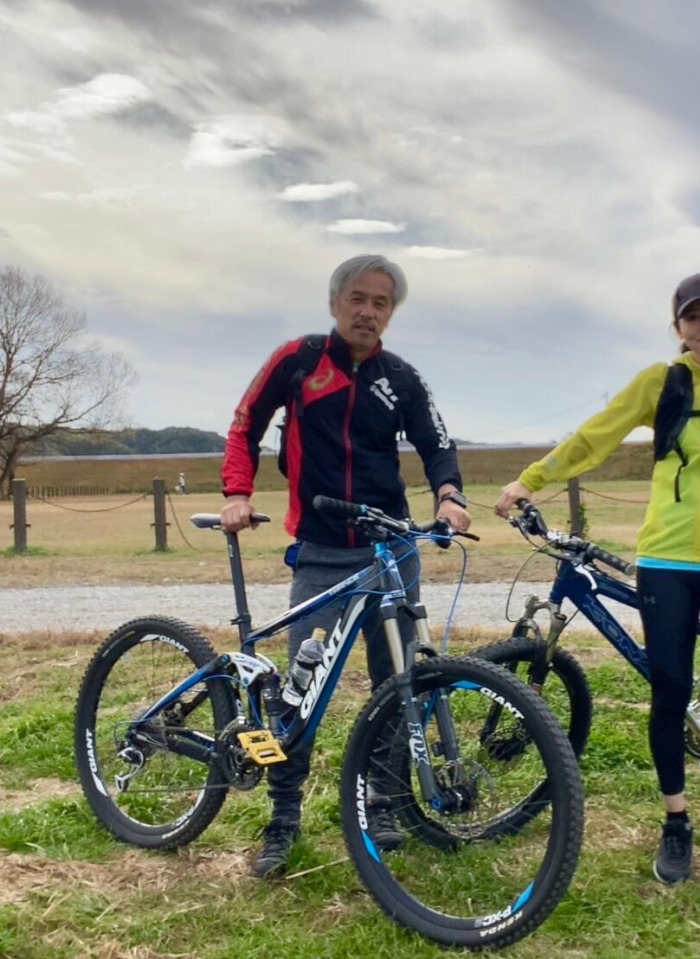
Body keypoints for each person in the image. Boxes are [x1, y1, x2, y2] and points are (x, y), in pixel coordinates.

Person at [494, 272, 700, 897]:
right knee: (667, 693)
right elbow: (598, 433)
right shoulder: (660, 382)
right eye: (693, 317)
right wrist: (530, 478)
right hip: (667, 559)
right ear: (678, 329)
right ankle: (677, 823)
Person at [220, 253, 471, 879]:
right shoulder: (299, 359)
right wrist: (237, 491)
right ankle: (283, 818)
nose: (368, 311)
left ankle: (384, 803)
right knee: (300, 694)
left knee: (398, 686)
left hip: (393, 552)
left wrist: (449, 495)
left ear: (391, 313)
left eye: (381, 303)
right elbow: (246, 422)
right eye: (358, 298)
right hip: (323, 555)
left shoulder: (400, 377)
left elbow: (438, 442)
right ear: (336, 303)